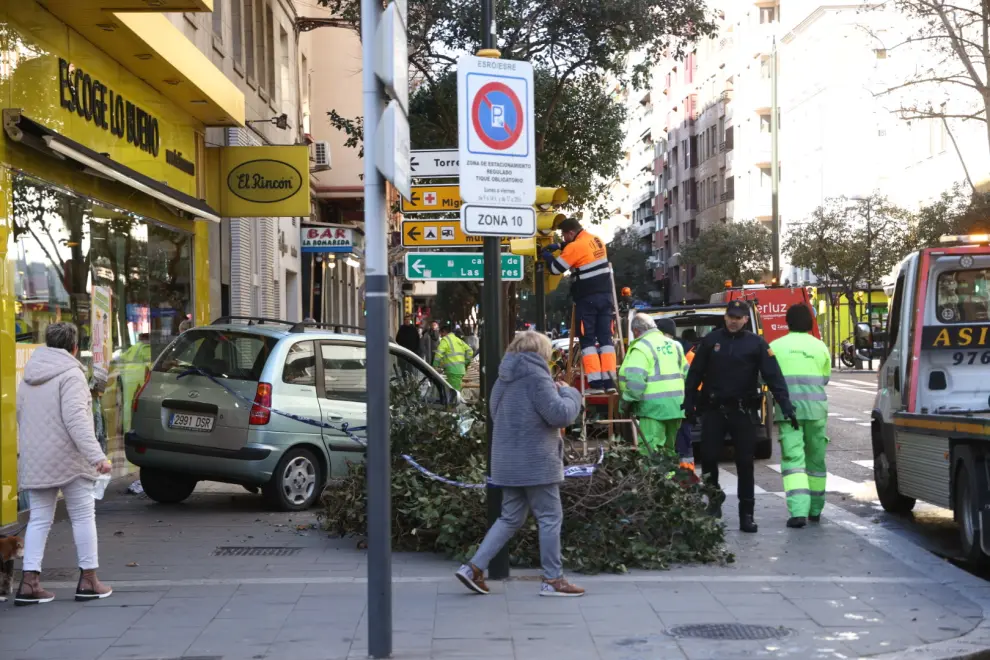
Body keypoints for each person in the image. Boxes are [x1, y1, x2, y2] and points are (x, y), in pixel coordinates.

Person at [455, 331, 584, 597]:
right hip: (536, 462)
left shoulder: (503, 379)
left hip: (507, 463)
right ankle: (553, 579)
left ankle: (473, 568)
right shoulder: (538, 378)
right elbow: (559, 415)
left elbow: (495, 413)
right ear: (541, 352)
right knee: (549, 517)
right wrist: (571, 394)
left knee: (510, 518)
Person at [16, 322, 113, 605]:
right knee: (83, 516)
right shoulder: (71, 374)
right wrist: (97, 457)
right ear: (73, 347)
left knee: (39, 519)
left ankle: (29, 583)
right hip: (69, 459)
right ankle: (88, 580)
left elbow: (21, 415)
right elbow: (76, 421)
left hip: (36, 458)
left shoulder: (29, 375)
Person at [684, 300, 797, 533]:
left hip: (742, 412)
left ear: (746, 319)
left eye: (738, 317)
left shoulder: (756, 344)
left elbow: (773, 376)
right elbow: (695, 374)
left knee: (745, 463)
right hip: (714, 410)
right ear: (725, 317)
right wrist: (689, 405)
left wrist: (786, 405)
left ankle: (747, 514)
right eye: (729, 316)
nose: (733, 321)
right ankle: (714, 503)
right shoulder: (711, 341)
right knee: (709, 459)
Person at [769, 304, 832, 528]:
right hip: (817, 412)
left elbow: (766, 379)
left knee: (794, 462)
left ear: (787, 322)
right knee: (816, 461)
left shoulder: (775, 346)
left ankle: (798, 512)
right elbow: (825, 378)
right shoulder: (820, 346)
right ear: (810, 322)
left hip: (789, 414)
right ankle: (816, 510)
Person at [542, 217, 616, 394]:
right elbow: (583, 251)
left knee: (587, 340)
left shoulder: (574, 247)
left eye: (564, 236)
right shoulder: (596, 240)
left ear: (570, 233)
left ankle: (596, 384)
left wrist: (545, 255)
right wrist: (560, 246)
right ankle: (610, 381)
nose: (564, 239)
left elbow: (555, 268)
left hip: (587, 299)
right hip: (606, 297)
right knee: (606, 339)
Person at [618, 315, 686, 458]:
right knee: (669, 450)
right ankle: (669, 477)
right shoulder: (675, 345)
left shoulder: (641, 347)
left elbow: (636, 381)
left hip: (652, 409)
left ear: (636, 331)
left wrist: (626, 402)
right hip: (676, 407)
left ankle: (653, 480)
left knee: (650, 451)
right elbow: (687, 374)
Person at [433, 323, 473, 391]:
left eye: (441, 334)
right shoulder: (458, 340)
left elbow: (439, 353)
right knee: (455, 391)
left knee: (455, 393)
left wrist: (435, 365)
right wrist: (466, 362)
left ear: (444, 332)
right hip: (461, 370)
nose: (441, 336)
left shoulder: (445, 340)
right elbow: (470, 351)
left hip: (452, 371)